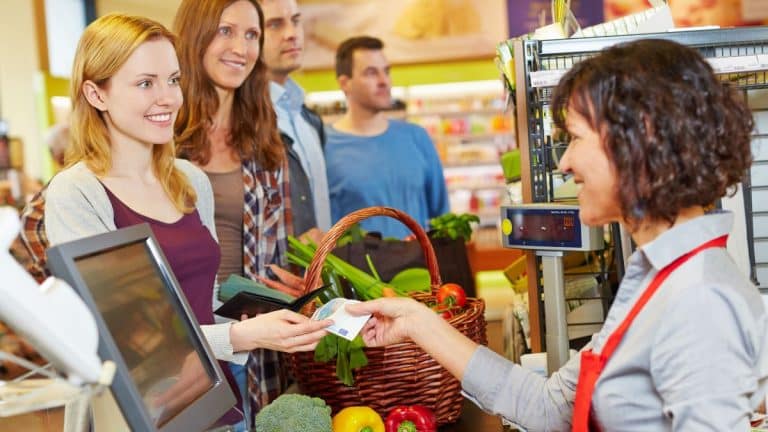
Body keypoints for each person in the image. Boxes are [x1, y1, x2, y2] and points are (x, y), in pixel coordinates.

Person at [347, 39, 768, 430]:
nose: (564, 162)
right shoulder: (657, 278)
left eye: (575, 138)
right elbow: (547, 405)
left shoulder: (699, 300)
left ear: (639, 141)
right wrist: (417, 322)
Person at [41, 13, 330, 429]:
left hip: (216, 404)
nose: (169, 98)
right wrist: (244, 336)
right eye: (145, 83)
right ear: (96, 94)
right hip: (140, 414)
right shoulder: (77, 192)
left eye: (173, 80)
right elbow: (113, 335)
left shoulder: (189, 180)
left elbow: (199, 295)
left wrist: (271, 315)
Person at [173, 0, 323, 423]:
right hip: (185, 346)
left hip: (253, 349)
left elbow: (272, 247)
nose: (241, 46)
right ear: (195, 34)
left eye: (252, 34)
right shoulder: (160, 136)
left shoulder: (263, 137)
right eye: (226, 31)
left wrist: (290, 281)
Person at [325, 36, 449, 239]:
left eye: (386, 71)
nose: (384, 81)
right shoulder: (325, 147)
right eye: (371, 73)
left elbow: (441, 215)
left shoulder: (416, 138)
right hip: (358, 270)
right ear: (345, 83)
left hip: (420, 268)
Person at [258, 0, 330, 236]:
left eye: (295, 21)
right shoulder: (247, 122)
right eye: (275, 25)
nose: (291, 34)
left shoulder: (309, 120)